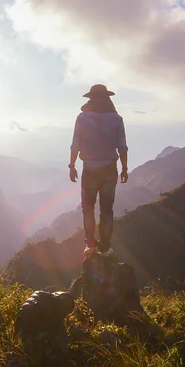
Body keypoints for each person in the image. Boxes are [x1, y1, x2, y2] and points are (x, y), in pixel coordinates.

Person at [69, 84, 128, 257]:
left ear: (91, 98)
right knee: (106, 209)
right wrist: (124, 169)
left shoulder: (82, 118)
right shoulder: (116, 119)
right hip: (110, 170)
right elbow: (122, 148)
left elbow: (75, 144)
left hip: (89, 170)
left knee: (88, 208)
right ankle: (105, 247)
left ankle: (91, 246)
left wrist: (72, 165)